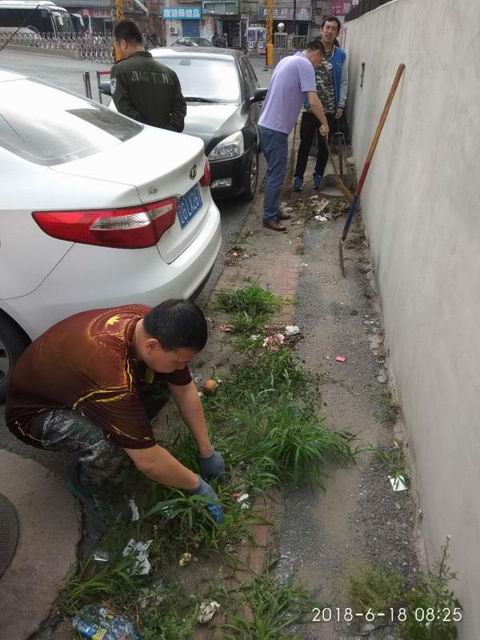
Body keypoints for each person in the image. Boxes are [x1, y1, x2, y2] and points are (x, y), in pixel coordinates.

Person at [5, 300, 224, 522]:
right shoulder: (112, 380)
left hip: (74, 386)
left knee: (163, 381)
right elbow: (148, 462)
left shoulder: (148, 323)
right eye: (178, 361)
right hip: (34, 413)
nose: (181, 367)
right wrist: (197, 486)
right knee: (110, 447)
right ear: (152, 346)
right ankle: (87, 485)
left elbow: (184, 390)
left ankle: (131, 431)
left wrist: (206, 451)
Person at [258, 39, 330, 232]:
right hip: (275, 128)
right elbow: (313, 101)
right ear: (316, 53)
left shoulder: (287, 60)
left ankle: (273, 209)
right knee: (276, 174)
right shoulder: (305, 65)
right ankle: (269, 217)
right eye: (320, 61)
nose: (318, 65)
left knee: (274, 172)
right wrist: (324, 122)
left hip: (266, 125)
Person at [293, 17, 348, 191]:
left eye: (333, 28)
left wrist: (341, 104)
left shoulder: (340, 55)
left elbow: (344, 81)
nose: (329, 31)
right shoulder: (311, 51)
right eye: (327, 27)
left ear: (337, 33)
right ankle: (298, 177)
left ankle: (318, 175)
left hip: (329, 109)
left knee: (325, 145)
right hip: (310, 108)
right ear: (321, 29)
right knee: (305, 143)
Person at [110, 19, 186, 132]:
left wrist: (148, 131)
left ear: (123, 43)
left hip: (139, 139)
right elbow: (180, 109)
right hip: (168, 139)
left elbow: (125, 111)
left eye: (116, 47)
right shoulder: (170, 74)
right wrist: (169, 130)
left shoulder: (120, 71)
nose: (117, 51)